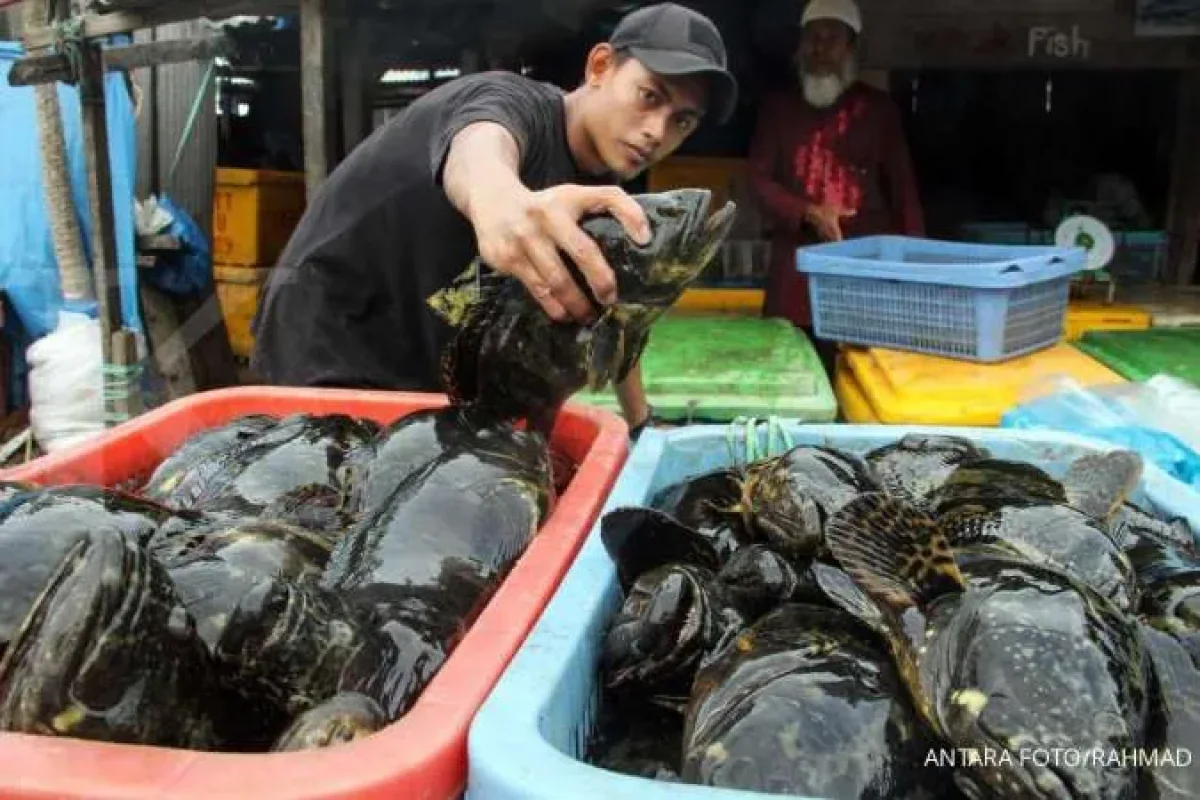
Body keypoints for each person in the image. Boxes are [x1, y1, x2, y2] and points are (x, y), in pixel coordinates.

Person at [250, 4, 738, 438]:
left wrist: (641, 424)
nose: (657, 132)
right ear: (600, 67)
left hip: (420, 374)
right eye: (649, 96)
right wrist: (499, 201)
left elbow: (620, 313)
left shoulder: (600, 194)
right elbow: (480, 151)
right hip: (328, 336)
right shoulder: (511, 103)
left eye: (682, 121)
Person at [748, 0, 923, 373]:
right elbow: (759, 180)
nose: (820, 49)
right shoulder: (777, 108)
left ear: (851, 48)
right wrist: (808, 212)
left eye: (832, 38)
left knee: (862, 377)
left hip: (864, 272)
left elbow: (903, 191)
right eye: (812, 37)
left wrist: (914, 270)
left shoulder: (878, 110)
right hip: (795, 273)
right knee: (788, 372)